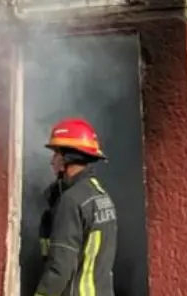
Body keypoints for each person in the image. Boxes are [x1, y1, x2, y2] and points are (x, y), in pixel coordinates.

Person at [35, 117, 118, 296]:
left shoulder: (71, 201)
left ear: (67, 158)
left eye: (56, 154)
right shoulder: (100, 195)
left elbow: (60, 268)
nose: (52, 161)